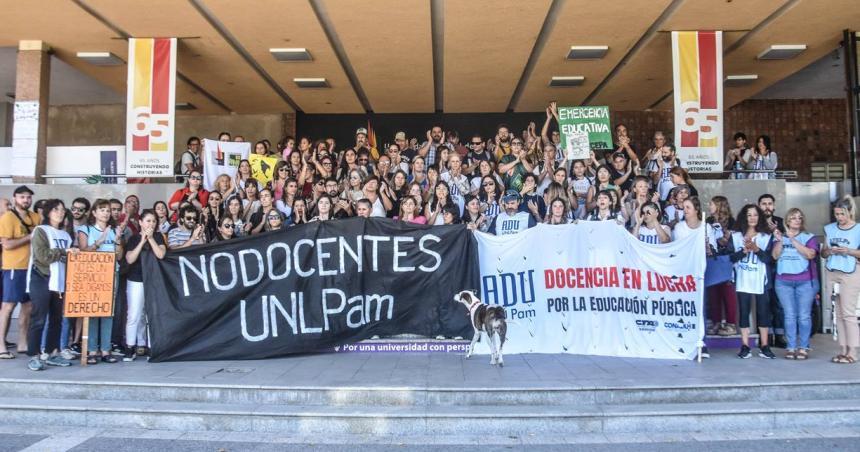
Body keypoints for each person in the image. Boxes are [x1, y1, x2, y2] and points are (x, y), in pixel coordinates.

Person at [25, 199, 74, 371]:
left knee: (56, 319)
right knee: (38, 318)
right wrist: (63, 252)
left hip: (59, 281)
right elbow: (42, 256)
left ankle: (52, 353)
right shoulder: (41, 230)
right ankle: (34, 355)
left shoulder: (66, 235)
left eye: (62, 209)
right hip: (42, 278)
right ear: (47, 212)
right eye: (55, 209)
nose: (60, 213)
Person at [77, 199, 124, 364]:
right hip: (93, 275)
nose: (106, 213)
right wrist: (99, 241)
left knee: (107, 312)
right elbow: (83, 251)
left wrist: (117, 240)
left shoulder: (114, 230)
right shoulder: (86, 229)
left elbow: (119, 256)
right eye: (102, 209)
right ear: (94, 213)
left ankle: (105, 349)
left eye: (108, 210)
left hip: (112, 273)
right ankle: (91, 350)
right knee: (92, 311)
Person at [730, 204, 776, 359]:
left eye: (755, 215)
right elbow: (730, 258)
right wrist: (743, 251)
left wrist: (756, 249)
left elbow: (769, 259)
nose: (752, 218)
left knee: (763, 312)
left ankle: (764, 345)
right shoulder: (736, 236)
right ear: (744, 217)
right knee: (744, 312)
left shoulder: (766, 236)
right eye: (749, 215)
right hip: (742, 279)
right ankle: (745, 345)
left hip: (761, 279)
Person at [0, 186, 40, 360]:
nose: (26, 200)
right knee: (8, 306)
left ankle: (22, 343)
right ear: (15, 198)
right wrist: (28, 238)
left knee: (28, 307)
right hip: (14, 267)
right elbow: (7, 244)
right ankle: (1, 345)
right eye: (22, 197)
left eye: (28, 197)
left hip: (32, 267)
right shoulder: (8, 218)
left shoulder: (35, 217)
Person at [773, 208, 818, 360]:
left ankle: (804, 347)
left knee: (804, 316)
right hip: (783, 281)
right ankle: (791, 347)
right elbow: (775, 255)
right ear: (787, 221)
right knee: (789, 315)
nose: (797, 220)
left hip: (805, 281)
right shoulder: (780, 237)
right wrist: (781, 240)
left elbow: (810, 254)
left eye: (800, 217)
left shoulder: (809, 237)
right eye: (793, 218)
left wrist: (792, 239)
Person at [122, 209, 165, 361]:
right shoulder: (133, 239)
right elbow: (130, 259)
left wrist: (151, 239)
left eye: (153, 221)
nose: (151, 224)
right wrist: (142, 241)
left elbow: (161, 254)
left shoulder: (159, 236)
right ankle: (130, 347)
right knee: (134, 314)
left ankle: (151, 346)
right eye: (148, 221)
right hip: (136, 279)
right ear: (140, 222)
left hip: (153, 279)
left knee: (150, 313)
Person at [821, 196, 860, 364]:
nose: (839, 218)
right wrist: (828, 251)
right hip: (832, 271)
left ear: (850, 212)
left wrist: (849, 251)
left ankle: (853, 351)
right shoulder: (829, 229)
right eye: (836, 214)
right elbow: (823, 252)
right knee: (838, 314)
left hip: (851, 272)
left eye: (842, 214)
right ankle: (843, 349)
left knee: (849, 313)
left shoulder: (858, 229)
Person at [706, 196, 739, 336]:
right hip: (712, 259)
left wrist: (725, 238)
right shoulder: (708, 221)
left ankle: (731, 323)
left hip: (726, 260)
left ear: (719, 205)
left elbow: (733, 242)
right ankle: (716, 322)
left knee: (728, 292)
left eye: (712, 204)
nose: (709, 206)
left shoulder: (732, 222)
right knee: (713, 292)